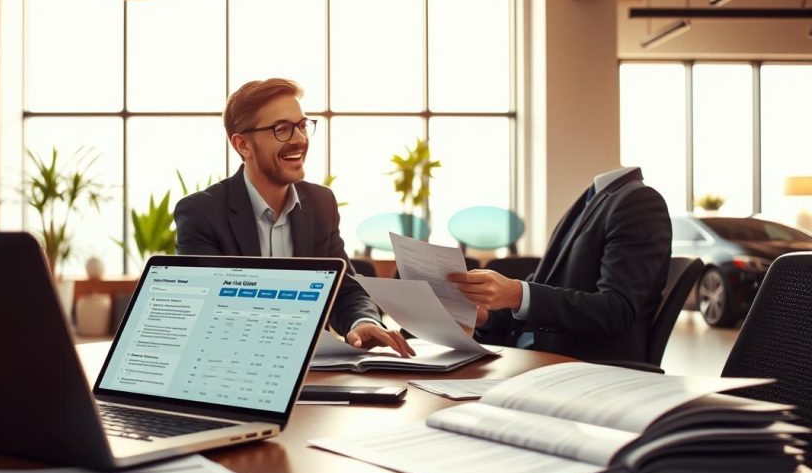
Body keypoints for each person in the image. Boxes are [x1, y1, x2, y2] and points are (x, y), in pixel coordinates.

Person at [174, 78, 413, 357]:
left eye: (302, 126)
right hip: (235, 369)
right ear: (243, 145)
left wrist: (363, 322)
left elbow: (345, 288)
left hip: (314, 375)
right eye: (282, 129)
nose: (299, 139)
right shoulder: (202, 213)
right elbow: (207, 314)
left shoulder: (321, 203)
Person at [448, 167, 671, 363]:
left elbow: (617, 310)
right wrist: (486, 316)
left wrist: (516, 293)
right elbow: (544, 288)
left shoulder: (638, 202)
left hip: (578, 368)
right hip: (538, 359)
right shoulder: (591, 201)